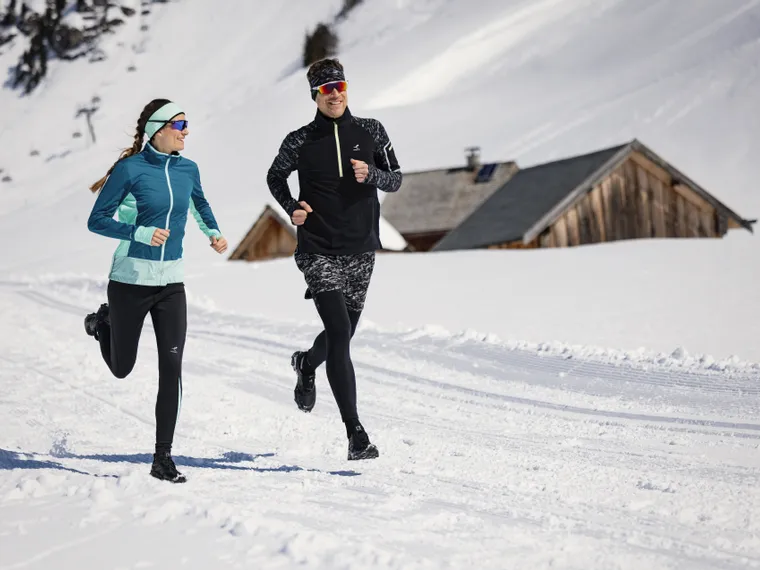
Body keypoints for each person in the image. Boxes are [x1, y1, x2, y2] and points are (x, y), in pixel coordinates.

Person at [84, 98, 227, 483]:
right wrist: (139, 232)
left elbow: (199, 204)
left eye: (186, 125)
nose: (186, 132)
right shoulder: (130, 170)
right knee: (121, 367)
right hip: (130, 281)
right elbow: (96, 220)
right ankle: (102, 323)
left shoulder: (188, 169)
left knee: (172, 367)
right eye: (180, 125)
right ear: (158, 130)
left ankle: (162, 458)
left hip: (170, 285)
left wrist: (212, 232)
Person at [266, 58, 402, 461]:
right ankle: (355, 434)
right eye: (326, 89)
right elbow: (275, 175)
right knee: (340, 334)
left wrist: (373, 176)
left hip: (360, 249)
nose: (335, 94)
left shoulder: (372, 131)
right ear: (315, 95)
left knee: (344, 333)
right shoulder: (300, 140)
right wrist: (292, 206)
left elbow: (396, 178)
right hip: (318, 248)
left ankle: (307, 363)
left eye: (339, 86)